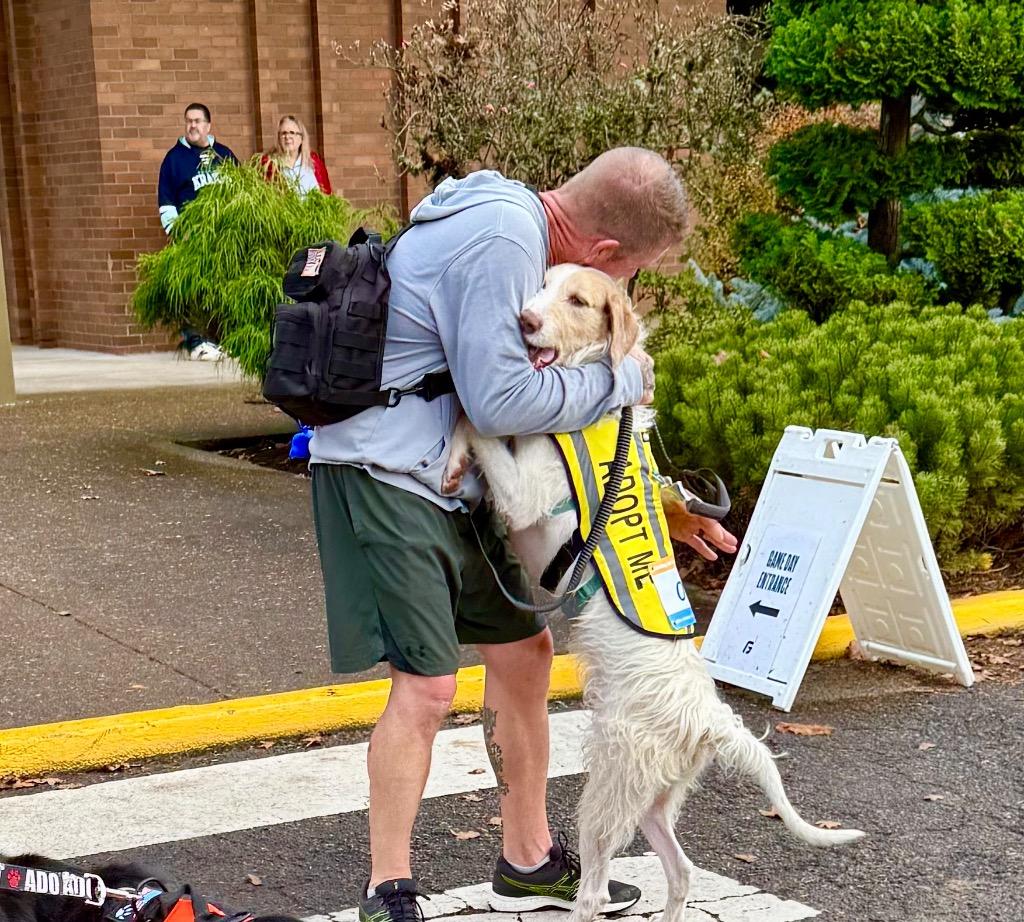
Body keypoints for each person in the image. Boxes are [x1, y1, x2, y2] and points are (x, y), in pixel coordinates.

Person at [307, 148, 737, 922]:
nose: (623, 291)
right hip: (383, 470)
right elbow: (505, 403)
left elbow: (557, 436)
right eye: (632, 272)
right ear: (605, 253)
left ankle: (528, 860)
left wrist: (663, 503)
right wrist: (623, 377)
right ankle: (387, 888)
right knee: (428, 685)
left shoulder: (514, 224)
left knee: (522, 654)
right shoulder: (504, 236)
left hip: (450, 473)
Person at [156, 103, 238, 361]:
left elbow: (242, 194)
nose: (192, 126)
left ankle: (225, 340)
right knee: (192, 291)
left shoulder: (224, 154)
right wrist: (179, 233)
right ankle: (196, 342)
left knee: (223, 290)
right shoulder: (174, 159)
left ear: (208, 125)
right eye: (188, 121)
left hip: (223, 238)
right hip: (190, 238)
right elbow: (166, 202)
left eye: (197, 121)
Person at [260, 115, 332, 196]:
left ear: (301, 138)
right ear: (278, 139)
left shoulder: (314, 162)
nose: (287, 137)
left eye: (292, 132)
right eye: (283, 133)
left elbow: (328, 193)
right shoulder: (268, 165)